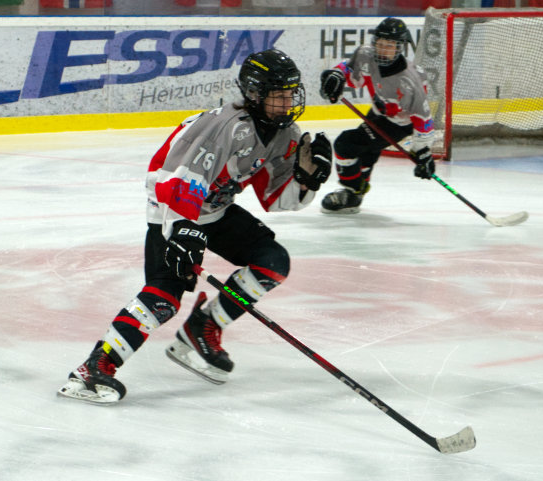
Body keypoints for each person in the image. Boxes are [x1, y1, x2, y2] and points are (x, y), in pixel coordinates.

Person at [58, 49, 332, 404]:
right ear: (254, 93)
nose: (286, 102)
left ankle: (203, 327)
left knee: (271, 261)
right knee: (164, 296)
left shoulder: (285, 134)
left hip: (214, 211)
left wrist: (307, 179)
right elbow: (174, 177)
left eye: (290, 94)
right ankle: (93, 369)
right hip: (173, 210)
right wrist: (184, 228)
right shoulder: (225, 127)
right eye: (278, 95)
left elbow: (277, 199)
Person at [319, 16, 436, 214]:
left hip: (399, 123)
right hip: (377, 112)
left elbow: (423, 120)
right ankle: (357, 191)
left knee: (345, 144)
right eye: (379, 43)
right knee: (366, 150)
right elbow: (348, 70)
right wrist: (336, 77)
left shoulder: (409, 82)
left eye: (389, 45)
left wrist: (423, 151)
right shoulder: (365, 55)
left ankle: (353, 191)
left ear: (400, 47)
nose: (382, 49)